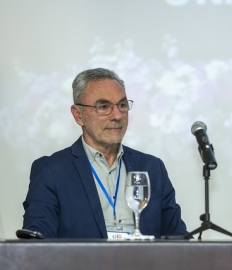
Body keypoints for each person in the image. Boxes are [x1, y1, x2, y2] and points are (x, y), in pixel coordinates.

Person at [22, 68, 188, 239]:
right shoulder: (52, 171)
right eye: (103, 107)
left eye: (122, 105)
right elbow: (37, 242)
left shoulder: (152, 168)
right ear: (78, 115)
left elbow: (178, 238)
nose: (117, 115)